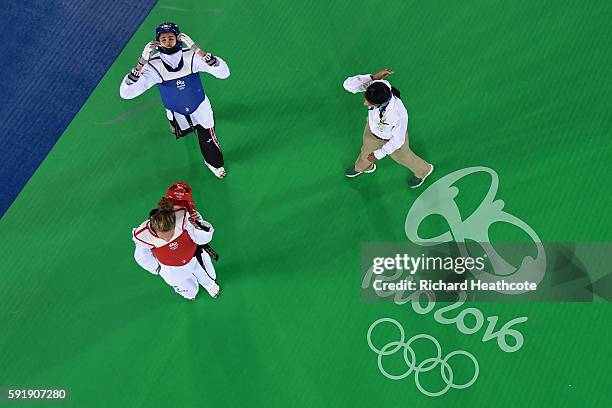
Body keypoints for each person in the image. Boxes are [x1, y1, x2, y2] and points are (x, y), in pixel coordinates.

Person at [119, 22, 230, 179]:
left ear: (178, 38)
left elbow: (224, 73)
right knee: (181, 131)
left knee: (207, 138)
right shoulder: (153, 66)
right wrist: (141, 63)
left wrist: (200, 52)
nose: (167, 41)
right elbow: (126, 93)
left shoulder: (191, 56)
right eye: (163, 38)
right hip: (175, 112)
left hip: (200, 107)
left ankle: (213, 163)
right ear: (157, 41)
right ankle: (176, 126)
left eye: (171, 37)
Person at [343, 68, 433, 188]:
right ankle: (362, 167)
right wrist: (373, 77)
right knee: (366, 152)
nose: (365, 103)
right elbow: (348, 85)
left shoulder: (399, 114)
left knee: (404, 158)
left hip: (392, 140)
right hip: (372, 131)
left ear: (381, 103)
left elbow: (398, 140)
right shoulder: (376, 87)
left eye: (370, 103)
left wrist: (379, 154)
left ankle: (424, 170)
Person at [132, 196, 220, 300]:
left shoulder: (182, 217)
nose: (167, 240)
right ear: (155, 228)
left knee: (209, 276)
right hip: (170, 267)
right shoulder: (143, 235)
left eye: (170, 235)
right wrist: (156, 268)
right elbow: (141, 255)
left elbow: (200, 238)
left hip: (193, 257)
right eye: (163, 237)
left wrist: (198, 223)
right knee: (187, 289)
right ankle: (190, 294)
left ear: (174, 224)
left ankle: (210, 286)